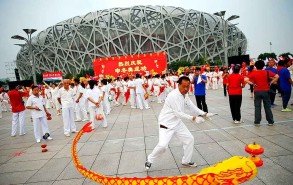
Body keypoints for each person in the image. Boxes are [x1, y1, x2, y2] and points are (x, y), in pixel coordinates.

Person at [145, 76, 214, 170]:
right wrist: (194, 118)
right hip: (166, 124)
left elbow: (191, 106)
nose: (185, 89)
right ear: (179, 85)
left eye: (187, 86)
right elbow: (178, 113)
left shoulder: (185, 94)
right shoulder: (173, 95)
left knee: (189, 139)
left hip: (177, 123)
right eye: (183, 86)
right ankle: (149, 159)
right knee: (162, 146)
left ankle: (186, 161)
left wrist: (204, 113)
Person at [245, 60, 279, 126]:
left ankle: (257, 121)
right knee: (267, 107)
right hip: (266, 91)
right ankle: (270, 121)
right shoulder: (267, 72)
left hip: (257, 91)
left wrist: (252, 84)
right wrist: (271, 82)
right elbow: (277, 76)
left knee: (257, 107)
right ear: (263, 65)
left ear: (256, 66)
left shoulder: (253, 73)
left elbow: (246, 79)